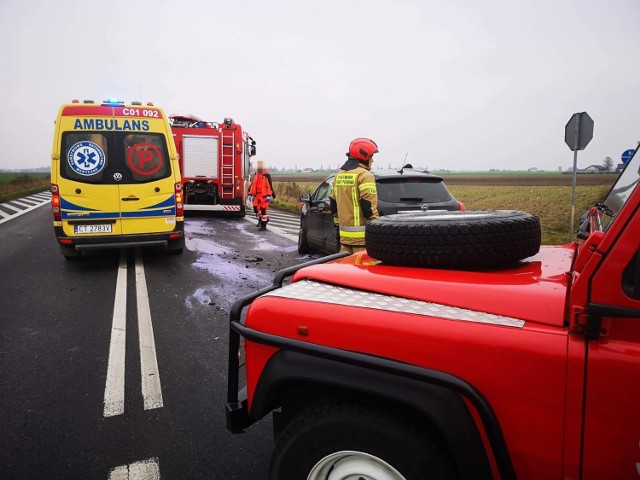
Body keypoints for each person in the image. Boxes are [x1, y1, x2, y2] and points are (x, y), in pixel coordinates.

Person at [330, 138, 379, 254]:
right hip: (362, 241)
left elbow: (333, 204)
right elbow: (369, 209)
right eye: (372, 157)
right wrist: (377, 230)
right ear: (365, 156)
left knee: (345, 270)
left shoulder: (339, 175)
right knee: (362, 271)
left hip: (344, 239)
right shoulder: (365, 175)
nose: (372, 161)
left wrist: (338, 224)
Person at [248, 161, 273, 231]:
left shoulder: (266, 176)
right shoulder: (256, 176)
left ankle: (263, 226)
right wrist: (250, 194)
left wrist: (268, 195)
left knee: (263, 211)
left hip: (264, 197)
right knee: (256, 209)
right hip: (257, 196)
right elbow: (253, 186)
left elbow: (269, 187)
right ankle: (264, 220)